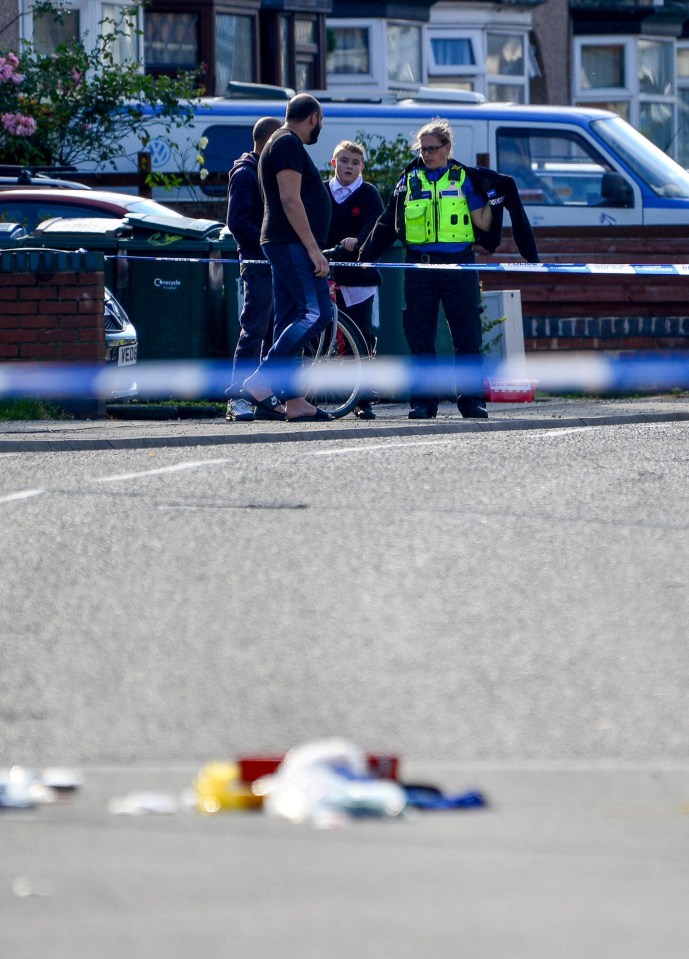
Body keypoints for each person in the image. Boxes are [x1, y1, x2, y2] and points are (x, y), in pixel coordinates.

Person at [358, 117, 494, 420]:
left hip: (459, 267)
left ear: (447, 147)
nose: (427, 155)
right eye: (423, 149)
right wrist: (364, 255)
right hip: (420, 267)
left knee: (467, 335)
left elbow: (483, 222)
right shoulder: (409, 181)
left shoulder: (463, 179)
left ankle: (472, 401)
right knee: (420, 336)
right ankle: (423, 402)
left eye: (432, 148)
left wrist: (494, 196)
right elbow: (387, 223)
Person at [238, 93, 334, 422]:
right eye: (321, 121)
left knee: (289, 318)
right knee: (316, 313)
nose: (320, 127)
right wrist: (312, 248)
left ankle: (292, 400)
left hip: (282, 243)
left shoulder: (279, 142)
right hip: (291, 244)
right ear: (314, 118)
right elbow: (290, 199)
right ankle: (262, 381)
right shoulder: (289, 143)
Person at [225, 115, 282, 422]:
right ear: (268, 140)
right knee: (254, 330)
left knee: (273, 332)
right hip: (258, 264)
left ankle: (262, 397)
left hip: (274, 264)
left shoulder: (266, 171)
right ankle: (238, 397)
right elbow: (236, 221)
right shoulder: (247, 174)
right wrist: (267, 247)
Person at [326, 140, 383, 419]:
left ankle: (363, 397)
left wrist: (358, 241)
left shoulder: (368, 193)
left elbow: (374, 224)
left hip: (358, 276)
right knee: (319, 330)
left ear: (362, 167)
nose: (350, 166)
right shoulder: (322, 191)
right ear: (334, 163)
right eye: (344, 161)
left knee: (360, 334)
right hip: (324, 269)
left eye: (356, 162)